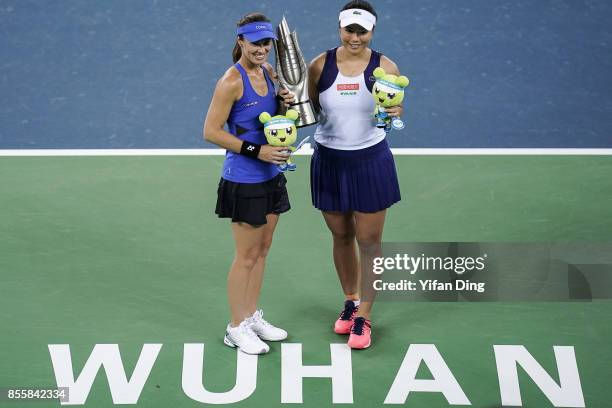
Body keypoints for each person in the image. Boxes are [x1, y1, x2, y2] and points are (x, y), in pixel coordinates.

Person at [307, 0, 404, 349]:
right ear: (340, 29)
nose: (355, 37)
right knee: (341, 236)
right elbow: (309, 110)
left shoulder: (385, 66)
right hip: (329, 161)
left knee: (369, 242)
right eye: (350, 30)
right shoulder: (319, 66)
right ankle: (350, 301)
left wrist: (395, 110)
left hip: (370, 162)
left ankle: (364, 314)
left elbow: (391, 110)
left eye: (362, 31)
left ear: (372, 32)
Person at [203, 12, 295, 355]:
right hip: (244, 179)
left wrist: (284, 105)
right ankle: (235, 326)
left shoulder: (270, 73)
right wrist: (259, 151)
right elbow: (211, 132)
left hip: (272, 176)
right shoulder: (231, 81)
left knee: (263, 251)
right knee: (245, 256)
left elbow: (269, 122)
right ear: (240, 41)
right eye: (255, 43)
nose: (261, 49)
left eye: (266, 43)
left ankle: (252, 316)